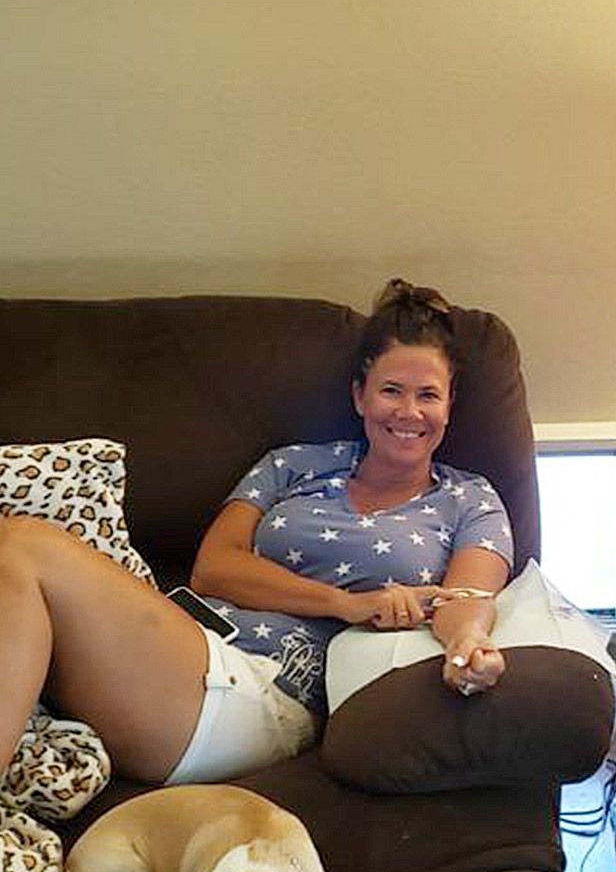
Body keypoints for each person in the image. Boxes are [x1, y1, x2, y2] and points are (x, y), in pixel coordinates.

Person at [0, 280, 512, 787]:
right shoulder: (293, 465)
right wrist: (347, 603)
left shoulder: (469, 499)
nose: (409, 412)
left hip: (263, 689)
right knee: (13, 549)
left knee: (27, 547)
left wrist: (467, 641)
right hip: (182, 635)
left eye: (428, 395)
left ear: (449, 406)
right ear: (360, 396)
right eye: (391, 391)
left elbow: (462, 599)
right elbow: (214, 568)